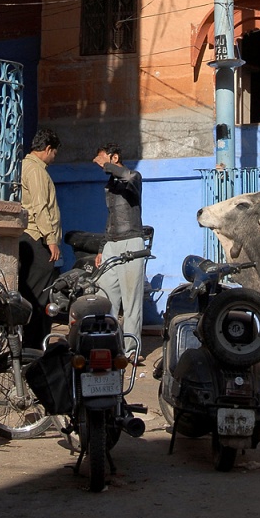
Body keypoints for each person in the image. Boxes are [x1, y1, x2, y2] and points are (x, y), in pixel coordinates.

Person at [92, 144, 146, 362]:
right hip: (112, 245)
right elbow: (110, 218)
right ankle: (108, 344)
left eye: (104, 159)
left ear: (115, 157)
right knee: (105, 296)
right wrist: (101, 248)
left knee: (131, 299)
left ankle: (131, 349)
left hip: (132, 242)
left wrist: (106, 164)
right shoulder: (110, 185)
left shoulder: (134, 177)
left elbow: (129, 177)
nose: (100, 165)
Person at [19, 128, 62, 348]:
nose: (54, 157)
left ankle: (33, 344)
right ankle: (34, 346)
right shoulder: (36, 170)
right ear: (47, 149)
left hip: (31, 237)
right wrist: (51, 238)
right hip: (37, 238)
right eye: (54, 153)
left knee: (33, 293)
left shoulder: (27, 166)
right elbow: (40, 207)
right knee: (40, 297)